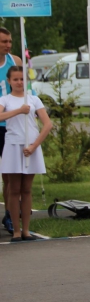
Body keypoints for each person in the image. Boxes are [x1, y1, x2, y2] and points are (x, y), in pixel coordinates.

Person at [0, 66, 52, 241]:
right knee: (14, 189)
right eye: (15, 79)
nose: (19, 82)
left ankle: (26, 230)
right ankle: (15, 230)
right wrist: (18, 111)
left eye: (22, 79)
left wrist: (34, 145)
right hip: (13, 146)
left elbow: (47, 125)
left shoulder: (34, 99)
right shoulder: (5, 99)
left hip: (31, 147)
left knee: (27, 189)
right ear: (9, 81)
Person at [0, 27, 22, 235]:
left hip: (10, 126)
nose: (7, 45)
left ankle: (9, 214)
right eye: (4, 41)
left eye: (9, 41)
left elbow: (25, 87)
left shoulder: (14, 61)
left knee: (9, 175)